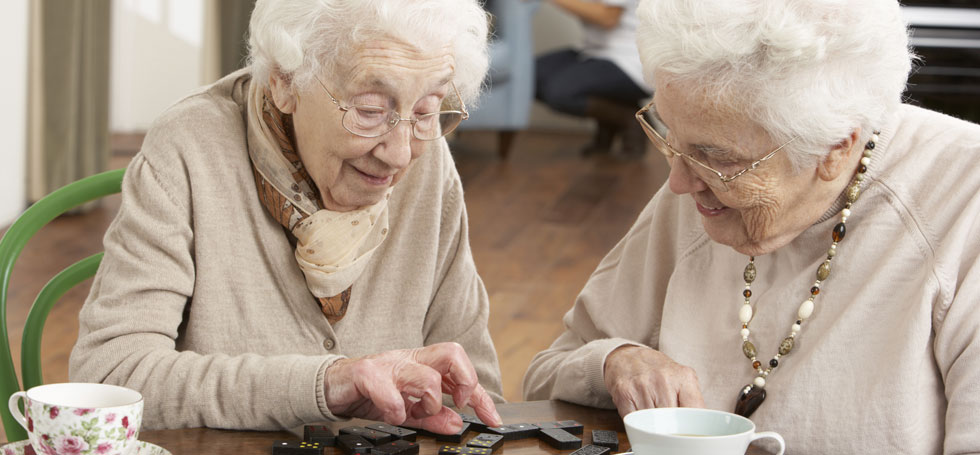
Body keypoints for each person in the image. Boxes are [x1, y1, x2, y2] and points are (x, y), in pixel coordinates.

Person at [523, 0, 980, 453]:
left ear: (838, 147)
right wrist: (616, 362)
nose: (678, 183)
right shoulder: (700, 190)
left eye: (718, 156)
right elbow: (546, 375)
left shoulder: (962, 201)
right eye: (668, 135)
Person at [69, 0, 504, 434]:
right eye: (371, 110)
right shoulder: (191, 148)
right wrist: (327, 383)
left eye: (427, 110)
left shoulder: (430, 163)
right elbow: (110, 377)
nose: (401, 152)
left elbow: (475, 392)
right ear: (284, 82)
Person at [535, 0, 651, 156]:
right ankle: (610, 123)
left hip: (629, 60)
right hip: (593, 52)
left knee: (560, 92)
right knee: (527, 77)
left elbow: (608, 18)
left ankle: (630, 118)